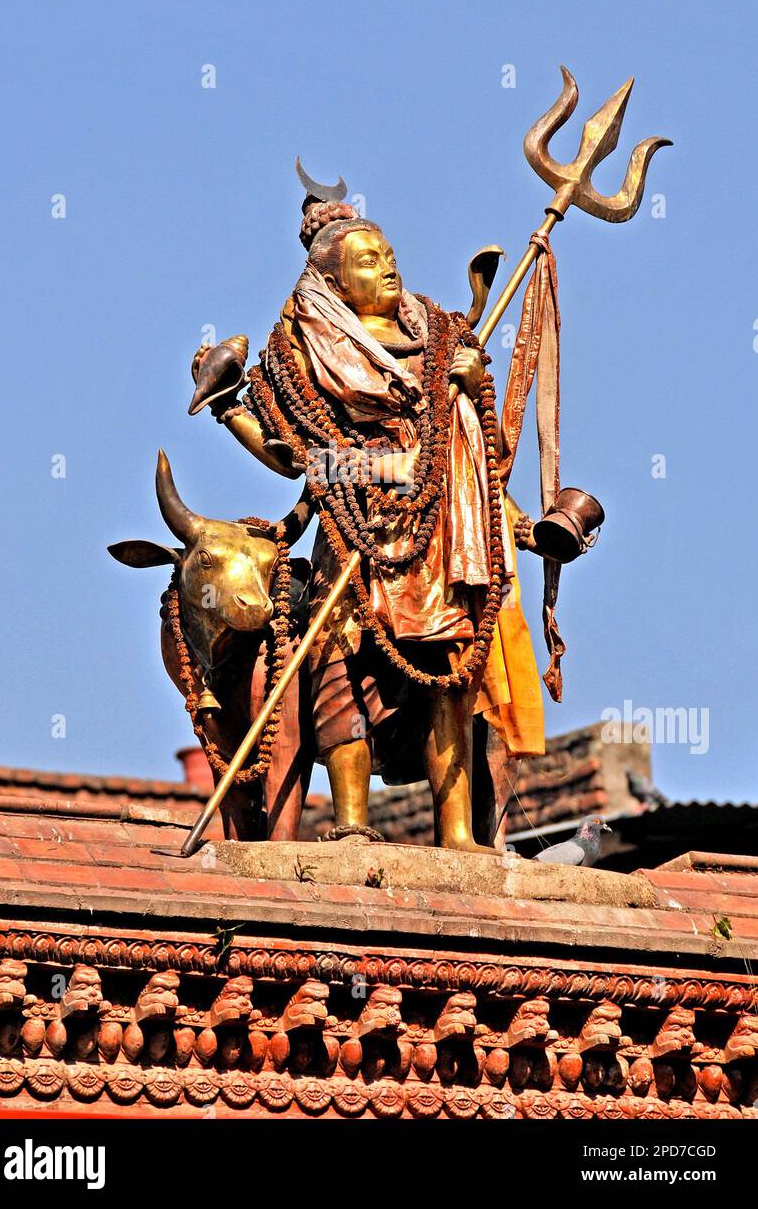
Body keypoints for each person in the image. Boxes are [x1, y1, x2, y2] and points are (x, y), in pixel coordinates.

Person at [192, 187, 546, 851]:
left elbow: (488, 452)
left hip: (440, 529)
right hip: (355, 528)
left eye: (389, 253)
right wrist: (228, 407)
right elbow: (291, 455)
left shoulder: (440, 333)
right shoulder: (304, 344)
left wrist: (469, 387)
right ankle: (350, 821)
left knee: (450, 673)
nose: (387, 265)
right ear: (332, 280)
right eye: (367, 259)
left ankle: (458, 832)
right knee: (337, 661)